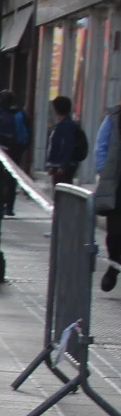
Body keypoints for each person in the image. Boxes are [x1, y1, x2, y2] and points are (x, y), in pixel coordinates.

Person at [95, 103, 120, 292]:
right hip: (117, 184)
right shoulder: (115, 116)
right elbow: (101, 145)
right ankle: (114, 265)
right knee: (115, 232)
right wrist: (103, 170)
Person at [45, 96, 88, 186]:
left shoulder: (66, 126)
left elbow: (68, 146)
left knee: (62, 188)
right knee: (59, 188)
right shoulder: (62, 124)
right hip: (59, 165)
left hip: (64, 166)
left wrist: (63, 166)